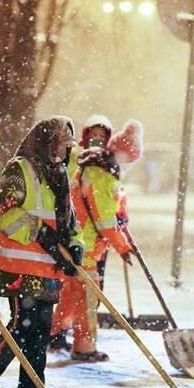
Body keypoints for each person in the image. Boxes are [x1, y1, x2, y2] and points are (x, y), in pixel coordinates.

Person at [0, 116, 84, 388]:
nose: (64, 151)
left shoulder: (59, 176)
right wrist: (42, 234)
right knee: (22, 327)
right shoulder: (20, 169)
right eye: (61, 145)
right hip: (19, 266)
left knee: (40, 331)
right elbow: (8, 213)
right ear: (47, 142)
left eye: (67, 146)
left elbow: (70, 220)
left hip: (47, 269)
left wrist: (75, 246)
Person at [50, 118, 144, 361]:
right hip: (86, 245)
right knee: (87, 299)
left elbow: (107, 211)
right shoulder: (101, 174)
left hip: (76, 241)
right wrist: (123, 246)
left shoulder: (93, 168)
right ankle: (84, 348)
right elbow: (104, 221)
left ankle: (53, 333)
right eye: (129, 161)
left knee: (72, 293)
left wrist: (120, 218)